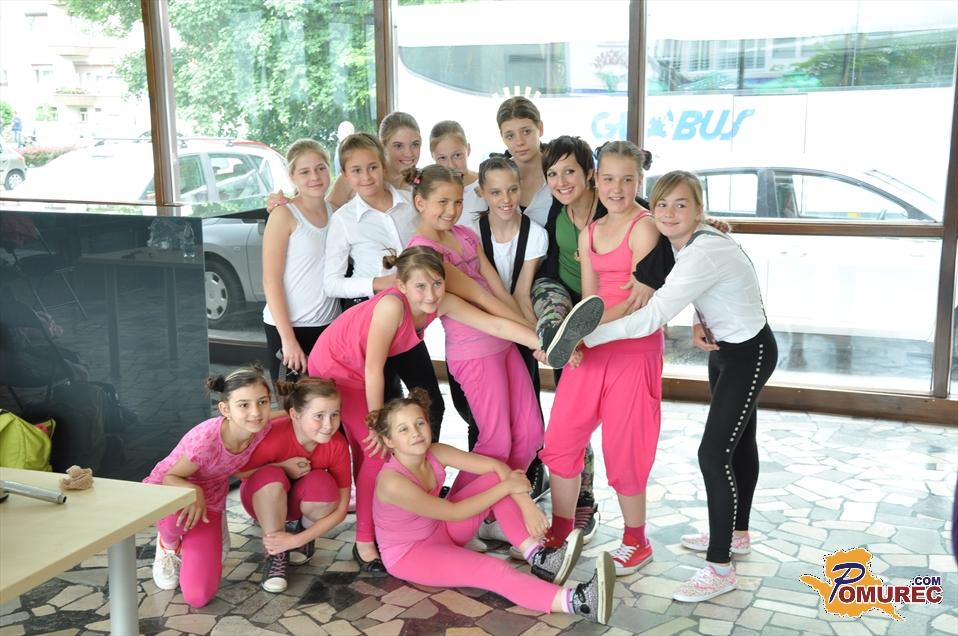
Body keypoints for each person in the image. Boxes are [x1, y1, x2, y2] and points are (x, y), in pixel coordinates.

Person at [580, 170, 778, 602]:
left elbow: (652, 316)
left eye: (681, 205)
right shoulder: (685, 240)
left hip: (748, 354)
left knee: (714, 454)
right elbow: (713, 288)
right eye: (662, 204)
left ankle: (720, 567)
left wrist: (586, 337)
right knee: (739, 444)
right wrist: (700, 318)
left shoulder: (702, 250)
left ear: (699, 210)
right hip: (725, 349)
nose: (669, 213)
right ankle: (736, 534)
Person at [307, 246, 566, 571]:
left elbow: (495, 325)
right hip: (337, 370)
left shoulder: (440, 302)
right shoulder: (391, 306)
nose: (430, 294)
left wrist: (544, 344)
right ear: (401, 285)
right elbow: (373, 369)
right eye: (420, 286)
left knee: (374, 451)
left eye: (437, 284)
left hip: (361, 372)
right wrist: (377, 424)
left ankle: (390, 526)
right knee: (377, 450)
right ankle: (365, 543)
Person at [370, 389, 615, 625]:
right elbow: (455, 512)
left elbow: (496, 467)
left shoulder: (435, 452)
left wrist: (526, 504)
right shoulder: (392, 483)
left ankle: (538, 556)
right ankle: (579, 602)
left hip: (441, 529)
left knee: (495, 478)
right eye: (403, 429)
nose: (415, 433)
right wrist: (508, 488)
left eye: (419, 423)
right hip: (411, 554)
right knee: (494, 569)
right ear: (388, 440)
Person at [539, 141, 663, 578]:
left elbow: (636, 302)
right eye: (608, 178)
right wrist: (578, 334)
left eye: (627, 179)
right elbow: (589, 301)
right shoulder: (589, 233)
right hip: (592, 345)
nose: (617, 188)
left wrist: (578, 330)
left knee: (625, 447)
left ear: (639, 181)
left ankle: (637, 540)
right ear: (596, 178)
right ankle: (561, 529)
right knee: (561, 438)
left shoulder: (644, 228)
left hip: (633, 348)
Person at [407, 165, 548, 501]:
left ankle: (496, 505)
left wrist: (532, 334)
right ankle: (461, 510)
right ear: (420, 202)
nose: (451, 210)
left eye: (457, 202)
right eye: (442, 202)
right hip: (474, 354)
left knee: (531, 433)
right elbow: (483, 300)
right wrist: (538, 338)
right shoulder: (425, 253)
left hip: (504, 344)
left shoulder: (465, 234)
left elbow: (498, 290)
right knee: (496, 441)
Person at [323, 131, 445, 435]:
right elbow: (331, 284)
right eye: (356, 170)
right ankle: (393, 464)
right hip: (370, 319)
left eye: (372, 167)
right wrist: (380, 282)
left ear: (384, 165)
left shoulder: (410, 204)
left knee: (431, 403)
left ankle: (425, 464)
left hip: (410, 316)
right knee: (388, 403)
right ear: (345, 175)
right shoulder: (344, 219)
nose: (366, 177)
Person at [145, 366, 272, 608]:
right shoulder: (206, 441)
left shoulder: (261, 426)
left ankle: (212, 527)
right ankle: (169, 545)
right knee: (175, 521)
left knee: (198, 596)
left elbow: (288, 415)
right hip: (174, 489)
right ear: (225, 409)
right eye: (244, 405)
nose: (256, 412)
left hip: (210, 499)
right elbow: (171, 477)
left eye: (263, 402)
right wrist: (195, 492)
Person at [235, 377, 351, 593]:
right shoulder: (272, 434)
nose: (329, 425)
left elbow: (341, 509)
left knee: (323, 483)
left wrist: (298, 539)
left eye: (334, 415)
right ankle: (275, 552)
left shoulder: (337, 444)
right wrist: (282, 466)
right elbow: (238, 472)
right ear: (295, 415)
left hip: (297, 502)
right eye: (319, 416)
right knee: (271, 474)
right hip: (261, 498)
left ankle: (301, 532)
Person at [262, 139, 340, 383]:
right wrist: (288, 340)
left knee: (330, 402)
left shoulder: (336, 212)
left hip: (328, 325)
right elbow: (271, 280)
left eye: (320, 168)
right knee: (295, 403)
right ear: (292, 176)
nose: (314, 177)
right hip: (289, 327)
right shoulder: (283, 214)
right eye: (305, 172)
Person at [327, 112, 423, 208]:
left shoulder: (422, 183)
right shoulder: (355, 177)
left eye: (415, 144)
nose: (409, 153)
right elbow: (329, 209)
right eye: (398, 146)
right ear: (383, 146)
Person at [496, 97, 553, 226]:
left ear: (540, 128)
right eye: (510, 135)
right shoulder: (493, 179)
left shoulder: (560, 175)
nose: (519, 142)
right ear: (502, 137)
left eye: (526, 131)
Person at [428, 120, 487, 222]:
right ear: (432, 156)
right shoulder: (429, 191)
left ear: (468, 149)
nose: (451, 165)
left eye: (457, 155)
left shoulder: (485, 184)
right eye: (442, 158)